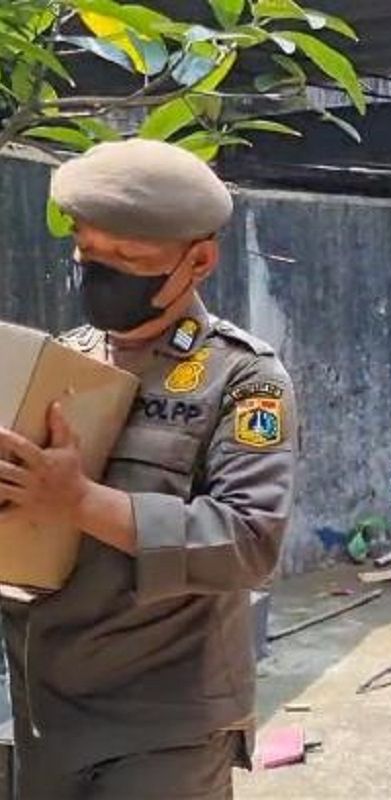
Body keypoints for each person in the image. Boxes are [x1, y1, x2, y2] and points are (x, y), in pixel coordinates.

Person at [0, 139, 297, 799]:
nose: (102, 276)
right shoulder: (56, 364)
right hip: (45, 708)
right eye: (88, 254)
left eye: (130, 260)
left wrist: (79, 500)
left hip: (165, 723)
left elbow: (250, 542)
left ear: (199, 260)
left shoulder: (243, 378)